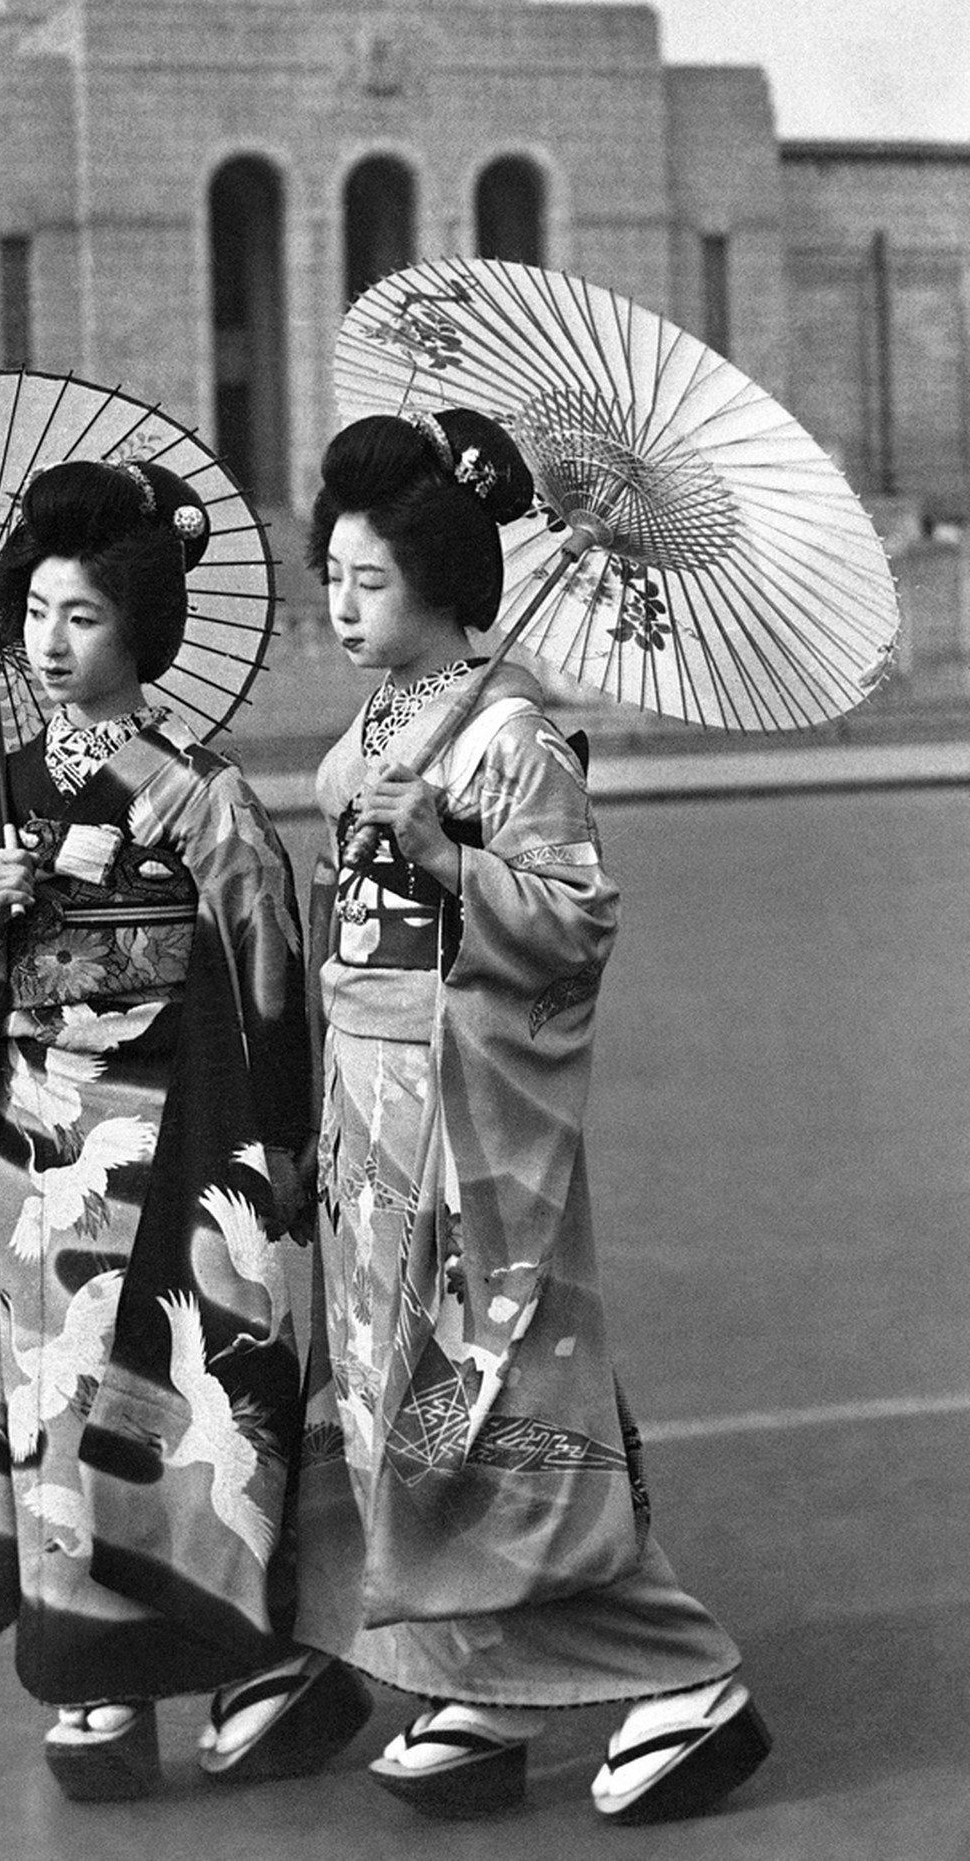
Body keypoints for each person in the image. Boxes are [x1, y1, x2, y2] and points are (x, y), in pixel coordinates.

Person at [201, 408, 770, 1827]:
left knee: (503, 1402)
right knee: (400, 1404)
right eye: (329, 575)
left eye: (368, 581)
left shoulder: (509, 737)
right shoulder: (389, 721)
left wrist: (450, 856)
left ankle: (683, 1673)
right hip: (373, 1114)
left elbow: (576, 923)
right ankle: (480, 1671)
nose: (338, 603)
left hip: (470, 1122)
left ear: (446, 584)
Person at [0, 459, 354, 1802]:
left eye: (83, 616)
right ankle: (91, 1666)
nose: (50, 644)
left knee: (178, 1403)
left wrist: (276, 1140)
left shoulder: (200, 794)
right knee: (50, 1414)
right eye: (38, 613)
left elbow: (269, 963)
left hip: (170, 1138)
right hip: (40, 1160)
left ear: (139, 633)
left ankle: (248, 1657)